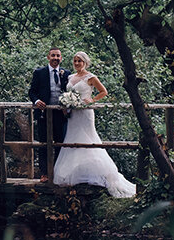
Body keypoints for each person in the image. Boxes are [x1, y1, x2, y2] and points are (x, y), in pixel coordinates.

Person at [52, 52, 136, 198]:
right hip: (73, 115)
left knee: (88, 139)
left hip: (85, 113)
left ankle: (97, 172)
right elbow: (68, 93)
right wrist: (67, 104)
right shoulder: (71, 77)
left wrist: (92, 100)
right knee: (72, 139)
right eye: (75, 61)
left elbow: (104, 92)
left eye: (80, 61)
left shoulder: (90, 77)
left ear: (85, 62)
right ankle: (74, 172)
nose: (77, 63)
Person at [28, 47, 70, 181]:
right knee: (43, 143)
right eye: (53, 55)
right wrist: (37, 100)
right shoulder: (39, 72)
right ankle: (44, 173)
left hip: (60, 114)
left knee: (60, 143)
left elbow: (70, 93)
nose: (55, 58)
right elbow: (32, 92)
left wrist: (67, 106)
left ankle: (57, 172)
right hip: (43, 113)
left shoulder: (67, 73)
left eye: (58, 56)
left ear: (61, 58)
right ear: (48, 57)